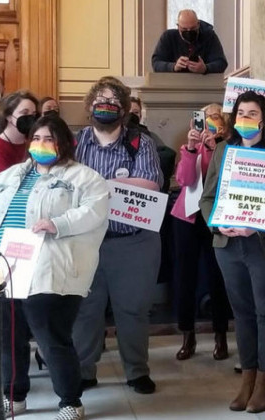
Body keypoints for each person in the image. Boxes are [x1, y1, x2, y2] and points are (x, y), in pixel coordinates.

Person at [0, 115, 109, 420]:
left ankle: (70, 401)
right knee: (8, 337)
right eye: (36, 138)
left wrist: (58, 224)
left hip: (51, 269)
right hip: (6, 267)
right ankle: (13, 395)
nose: (41, 144)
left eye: (49, 138)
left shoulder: (84, 177)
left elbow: (94, 212)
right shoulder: (12, 175)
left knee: (52, 338)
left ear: (64, 144)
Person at [199, 91, 265, 413]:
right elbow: (207, 198)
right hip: (228, 245)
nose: (245, 118)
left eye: (253, 113)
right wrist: (218, 224)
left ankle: (264, 380)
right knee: (241, 314)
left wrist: (260, 224)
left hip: (264, 245)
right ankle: (247, 376)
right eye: (241, 112)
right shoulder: (222, 152)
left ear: (264, 118)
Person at [72, 76, 163, 395]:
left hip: (134, 241)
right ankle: (83, 369)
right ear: (90, 106)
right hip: (85, 241)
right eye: (101, 100)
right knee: (85, 309)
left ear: (124, 109)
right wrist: (119, 185)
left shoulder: (140, 142)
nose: (106, 106)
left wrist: (96, 187)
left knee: (133, 309)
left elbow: (150, 183)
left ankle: (137, 370)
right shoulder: (75, 141)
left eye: (114, 101)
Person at [169, 103, 231, 361]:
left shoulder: (228, 148)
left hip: (214, 216)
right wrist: (191, 150)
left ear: (224, 124)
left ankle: (220, 336)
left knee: (218, 276)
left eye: (215, 117)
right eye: (204, 118)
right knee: (185, 276)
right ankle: (187, 334)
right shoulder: (187, 147)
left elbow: (223, 176)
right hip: (187, 217)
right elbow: (184, 180)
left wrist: (212, 149)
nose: (209, 122)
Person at [151, 9, 228, 74]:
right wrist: (174, 66)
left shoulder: (209, 36)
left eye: (193, 28)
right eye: (184, 29)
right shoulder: (168, 37)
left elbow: (221, 63)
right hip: (173, 85)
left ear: (198, 24)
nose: (189, 32)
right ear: (178, 26)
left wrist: (205, 68)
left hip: (203, 86)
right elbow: (156, 63)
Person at [0, 90, 38, 176]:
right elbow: (0, 183)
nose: (30, 117)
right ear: (9, 116)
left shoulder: (34, 144)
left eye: (33, 114)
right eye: (24, 112)